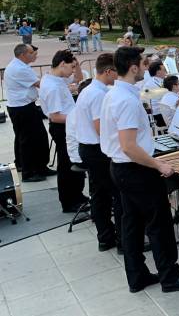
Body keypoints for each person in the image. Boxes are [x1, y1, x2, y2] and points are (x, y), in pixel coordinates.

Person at [101, 46, 179, 293]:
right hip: (136, 170)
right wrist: (159, 164)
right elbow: (128, 146)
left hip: (122, 168)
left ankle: (137, 276)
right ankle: (170, 276)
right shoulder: (125, 99)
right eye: (143, 64)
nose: (145, 68)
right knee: (159, 223)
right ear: (134, 67)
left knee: (132, 224)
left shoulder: (114, 94)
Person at [76, 53, 121, 251]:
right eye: (116, 72)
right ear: (109, 71)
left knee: (100, 195)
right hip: (96, 150)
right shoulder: (98, 94)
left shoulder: (91, 89)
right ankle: (120, 239)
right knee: (116, 194)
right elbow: (101, 128)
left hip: (89, 148)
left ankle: (106, 237)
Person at [40, 50, 88, 212]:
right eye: (71, 67)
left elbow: (78, 78)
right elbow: (55, 117)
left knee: (74, 160)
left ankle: (78, 195)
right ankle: (69, 201)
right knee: (67, 165)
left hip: (69, 125)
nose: (73, 71)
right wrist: (80, 119)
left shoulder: (56, 78)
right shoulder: (52, 86)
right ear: (62, 64)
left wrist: (77, 63)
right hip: (63, 127)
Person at [6, 44, 55, 182]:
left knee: (27, 138)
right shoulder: (19, 68)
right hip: (22, 108)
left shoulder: (20, 65)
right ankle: (29, 172)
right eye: (32, 52)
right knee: (30, 140)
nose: (35, 55)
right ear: (23, 54)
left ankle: (34, 166)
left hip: (22, 106)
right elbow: (40, 84)